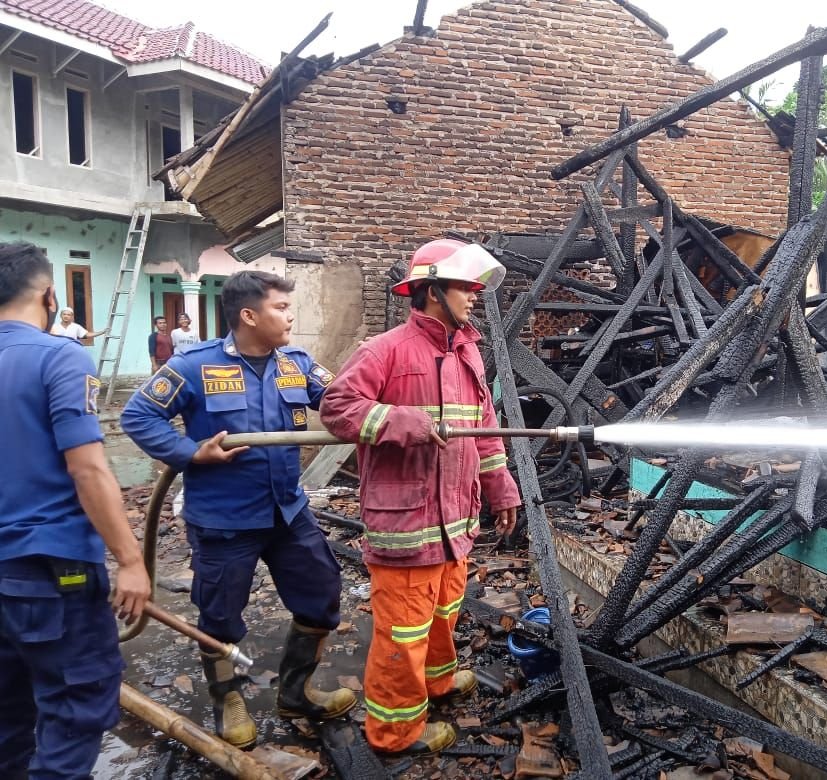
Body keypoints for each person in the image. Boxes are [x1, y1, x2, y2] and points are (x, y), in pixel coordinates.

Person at [121, 270, 353, 749]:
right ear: (248, 315)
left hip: (288, 512)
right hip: (225, 519)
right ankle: (227, 697)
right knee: (220, 616)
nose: (291, 316)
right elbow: (138, 415)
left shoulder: (298, 363)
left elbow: (342, 399)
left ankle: (296, 691)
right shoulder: (193, 366)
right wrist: (190, 452)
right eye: (281, 308)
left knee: (322, 595)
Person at [320, 239, 521, 755]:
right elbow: (337, 406)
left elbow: (485, 428)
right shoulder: (384, 350)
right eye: (465, 286)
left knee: (443, 614)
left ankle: (436, 683)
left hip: (455, 523)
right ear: (432, 290)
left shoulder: (468, 351)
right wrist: (396, 419)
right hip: (405, 527)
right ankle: (393, 731)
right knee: (402, 636)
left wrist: (501, 489)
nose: (475, 296)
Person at [0, 242, 151, 779]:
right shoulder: (58, 356)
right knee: (73, 710)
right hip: (49, 572)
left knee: (8, 719)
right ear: (48, 294)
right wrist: (130, 560)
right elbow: (88, 470)